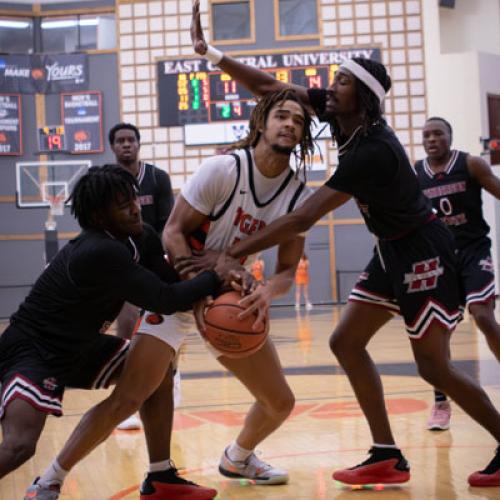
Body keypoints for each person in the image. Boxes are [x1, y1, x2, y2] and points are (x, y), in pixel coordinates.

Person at [190, 1, 500, 487]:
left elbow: (303, 216)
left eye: (341, 82)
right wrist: (214, 56)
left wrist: (234, 253)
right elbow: (273, 90)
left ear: (364, 97)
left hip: (426, 253)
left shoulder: (372, 149)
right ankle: (386, 454)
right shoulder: (342, 118)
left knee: (433, 366)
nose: (329, 88)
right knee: (345, 342)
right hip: (390, 250)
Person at [19, 165, 236, 499]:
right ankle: (46, 483)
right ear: (100, 215)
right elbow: (164, 299)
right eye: (123, 204)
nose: (135, 207)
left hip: (78, 345)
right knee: (18, 447)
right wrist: (215, 273)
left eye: (134, 198)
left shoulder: (141, 235)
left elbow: (169, 283)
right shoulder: (100, 250)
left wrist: (205, 283)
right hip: (35, 350)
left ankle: (161, 475)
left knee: (155, 375)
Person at [148, 88, 314, 486]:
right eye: (282, 115)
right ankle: (53, 479)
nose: (290, 123)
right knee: (133, 392)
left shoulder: (298, 197)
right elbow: (172, 232)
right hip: (173, 287)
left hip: (229, 299)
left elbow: (288, 269)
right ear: (261, 122)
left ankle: (238, 458)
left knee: (280, 402)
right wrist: (198, 291)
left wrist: (267, 291)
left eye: (299, 120)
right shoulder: (223, 169)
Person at [415, 116, 500, 431]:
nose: (432, 139)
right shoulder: (415, 174)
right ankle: (440, 403)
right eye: (427, 135)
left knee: (483, 316)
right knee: (438, 333)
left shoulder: (471, 164)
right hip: (438, 260)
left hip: (473, 252)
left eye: (438, 133)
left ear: (450, 137)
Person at [109, 122, 176, 430]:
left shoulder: (157, 178)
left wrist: (163, 257)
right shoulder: (108, 182)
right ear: (113, 147)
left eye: (130, 140)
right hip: (122, 259)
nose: (126, 145)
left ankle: (173, 376)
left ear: (138, 144)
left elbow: (169, 222)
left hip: (154, 257)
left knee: (168, 323)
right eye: (120, 141)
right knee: (125, 323)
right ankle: (126, 391)